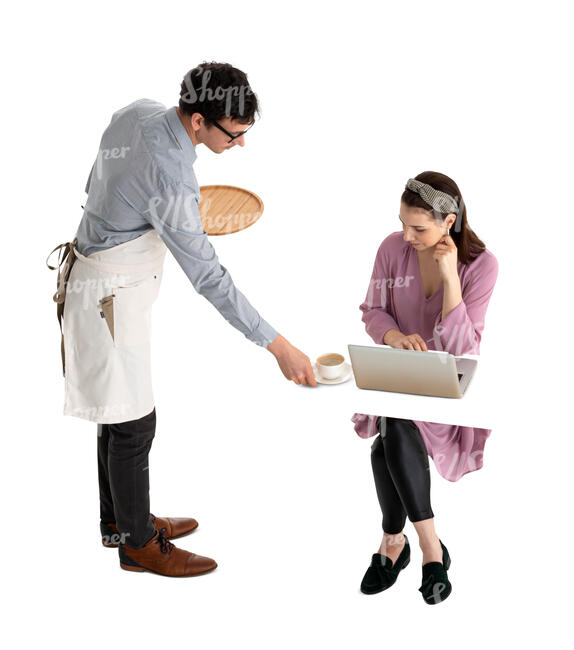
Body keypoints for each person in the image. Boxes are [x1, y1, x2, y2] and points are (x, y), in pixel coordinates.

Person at [50, 62, 317, 578]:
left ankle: (119, 523)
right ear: (197, 121)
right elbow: (210, 279)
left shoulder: (137, 111)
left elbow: (99, 182)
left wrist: (162, 214)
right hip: (110, 297)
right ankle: (138, 546)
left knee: (117, 409)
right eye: (234, 134)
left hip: (95, 278)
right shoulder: (171, 178)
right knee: (133, 422)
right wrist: (279, 346)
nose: (240, 145)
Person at [352, 171, 498, 604]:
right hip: (399, 380)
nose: (405, 235)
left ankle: (394, 541)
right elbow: (373, 310)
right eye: (402, 223)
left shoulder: (483, 265)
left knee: (386, 440)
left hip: (444, 388)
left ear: (448, 222)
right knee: (393, 425)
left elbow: (463, 349)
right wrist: (394, 337)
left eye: (418, 227)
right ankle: (430, 548)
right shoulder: (390, 250)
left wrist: (450, 278)